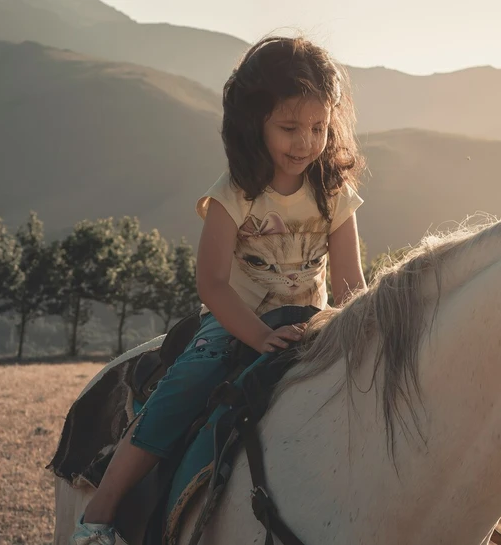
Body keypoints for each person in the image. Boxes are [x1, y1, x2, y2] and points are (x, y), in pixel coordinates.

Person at [71, 34, 368, 544]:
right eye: (290, 128)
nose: (305, 142)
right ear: (255, 124)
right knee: (185, 388)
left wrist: (362, 328)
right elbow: (211, 283)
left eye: (319, 128)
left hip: (310, 325)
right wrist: (257, 336)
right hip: (236, 324)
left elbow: (348, 283)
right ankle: (100, 513)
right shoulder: (234, 195)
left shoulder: (334, 193)